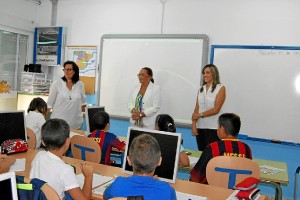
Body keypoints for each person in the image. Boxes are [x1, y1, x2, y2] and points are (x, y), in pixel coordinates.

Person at [30, 118, 94, 200]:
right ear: (68, 141)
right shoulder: (66, 170)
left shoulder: (38, 156)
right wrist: (88, 176)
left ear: (43, 142)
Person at [104, 134, 176, 200]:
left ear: (128, 160)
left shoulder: (118, 184)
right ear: (159, 161)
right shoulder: (168, 191)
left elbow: (105, 196)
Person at [189, 113, 252, 184]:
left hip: (212, 191)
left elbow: (196, 177)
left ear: (222, 129)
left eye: (218, 127)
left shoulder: (212, 148)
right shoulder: (246, 149)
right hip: (236, 192)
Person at [192, 64, 226, 151]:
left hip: (214, 128)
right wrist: (194, 125)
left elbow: (216, 109)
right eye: (203, 73)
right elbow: (197, 107)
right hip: (201, 127)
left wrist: (199, 115)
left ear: (214, 74)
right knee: (202, 153)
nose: (204, 75)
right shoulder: (201, 89)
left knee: (213, 153)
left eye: (207, 73)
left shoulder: (220, 88)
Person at [47, 61, 86, 129]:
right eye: (65, 69)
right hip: (58, 125)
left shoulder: (80, 84)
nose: (66, 71)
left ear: (74, 71)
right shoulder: (56, 83)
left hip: (75, 125)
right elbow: (49, 104)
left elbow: (83, 104)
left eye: (69, 69)